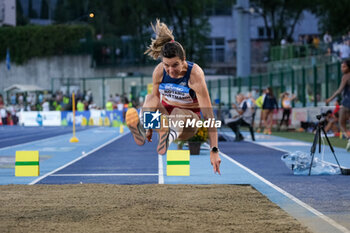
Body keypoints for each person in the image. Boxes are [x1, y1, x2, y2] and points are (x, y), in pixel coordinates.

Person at [125, 19, 221, 174]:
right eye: (166, 65)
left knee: (178, 113)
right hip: (165, 118)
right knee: (150, 98)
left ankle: (167, 135)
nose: (170, 70)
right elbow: (154, 102)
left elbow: (209, 114)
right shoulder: (159, 71)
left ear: (184, 60)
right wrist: (150, 130)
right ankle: (142, 129)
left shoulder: (195, 75)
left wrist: (214, 149)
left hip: (189, 122)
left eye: (175, 65)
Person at [326, 59, 350, 151]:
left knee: (341, 123)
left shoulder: (346, 76)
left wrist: (330, 99)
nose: (342, 69)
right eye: (341, 67)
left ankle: (349, 139)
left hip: (347, 102)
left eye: (344, 67)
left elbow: (339, 90)